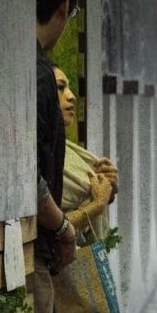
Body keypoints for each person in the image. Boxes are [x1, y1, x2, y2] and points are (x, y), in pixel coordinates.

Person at [30, 0, 80, 313]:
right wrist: (63, 228)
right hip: (36, 255)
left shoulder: (16, 62)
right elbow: (31, 175)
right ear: (62, 7)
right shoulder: (40, 73)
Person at [54, 64, 118, 238]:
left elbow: (86, 197)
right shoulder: (38, 157)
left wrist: (108, 187)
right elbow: (46, 228)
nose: (72, 96)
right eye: (61, 87)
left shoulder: (68, 152)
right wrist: (97, 205)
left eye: (69, 88)